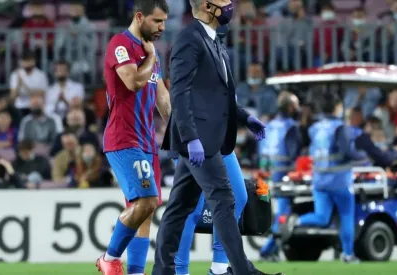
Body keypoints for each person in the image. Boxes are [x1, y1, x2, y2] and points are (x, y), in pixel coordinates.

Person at [154, 0, 283, 274]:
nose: (229, 5)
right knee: (224, 201)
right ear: (205, 6)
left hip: (211, 136)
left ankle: (164, 271)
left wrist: (246, 117)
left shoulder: (214, 42)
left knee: (179, 208)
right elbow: (179, 92)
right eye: (223, 0)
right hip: (198, 139)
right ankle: (239, 270)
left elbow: (220, 97)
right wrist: (190, 137)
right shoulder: (190, 40)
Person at [96, 1, 172, 274]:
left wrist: (179, 133)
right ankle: (109, 258)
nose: (162, 27)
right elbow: (132, 81)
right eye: (157, 21)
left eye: (164, 22)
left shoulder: (153, 54)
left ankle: (136, 271)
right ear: (139, 17)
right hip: (123, 138)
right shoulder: (121, 44)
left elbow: (162, 98)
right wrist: (150, 58)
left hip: (147, 142)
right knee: (147, 200)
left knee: (146, 210)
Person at [282, 92, 363, 263]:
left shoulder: (315, 128)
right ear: (337, 108)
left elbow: (302, 143)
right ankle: (348, 255)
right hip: (340, 181)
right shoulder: (340, 128)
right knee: (346, 216)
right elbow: (346, 151)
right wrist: (362, 156)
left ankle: (297, 220)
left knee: (322, 217)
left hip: (319, 182)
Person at [259, 92, 302, 261]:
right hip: (283, 177)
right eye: (296, 105)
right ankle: (267, 249)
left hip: (265, 176)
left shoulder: (268, 125)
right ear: (291, 107)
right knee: (284, 213)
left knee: (276, 213)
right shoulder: (291, 127)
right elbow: (293, 154)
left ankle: (273, 249)